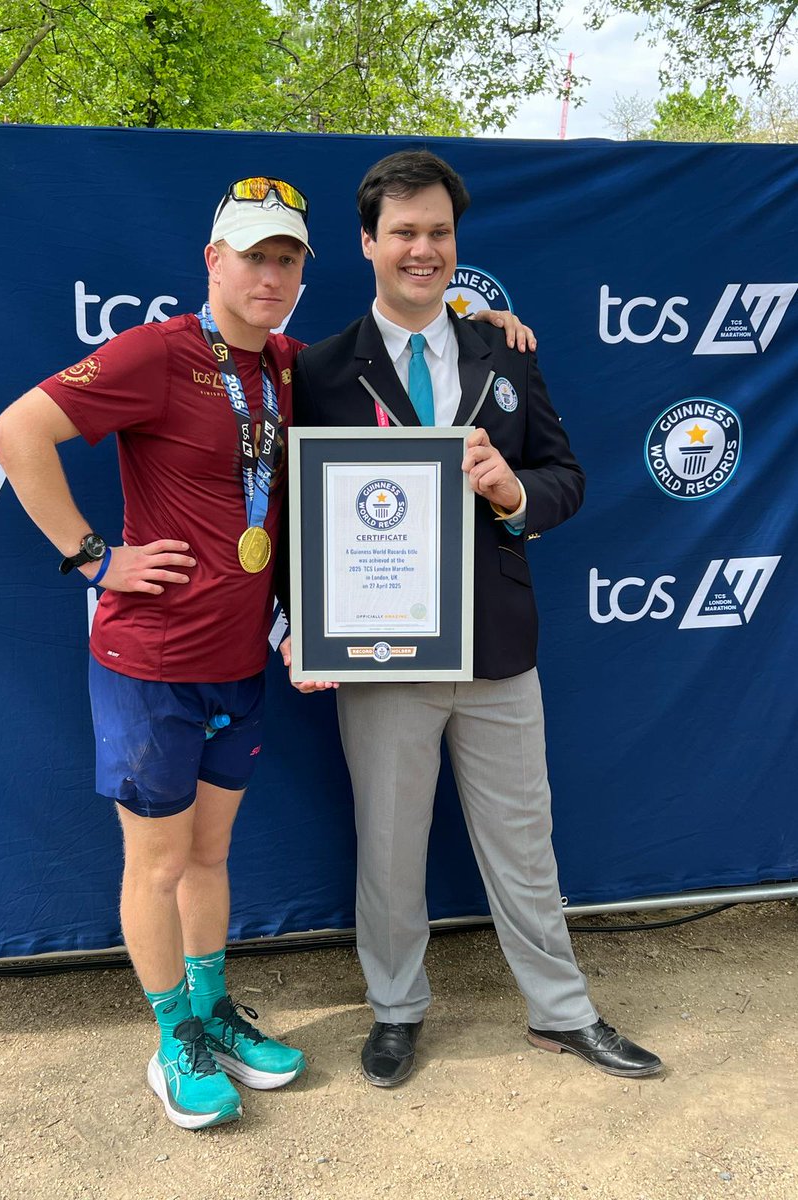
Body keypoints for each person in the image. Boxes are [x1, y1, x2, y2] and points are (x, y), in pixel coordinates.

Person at [0, 174, 533, 1131]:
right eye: (253, 255)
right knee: (155, 863)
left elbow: (402, 336)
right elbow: (17, 431)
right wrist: (93, 558)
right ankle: (172, 1040)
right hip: (150, 660)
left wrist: (474, 313)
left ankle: (208, 1009)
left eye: (287, 258)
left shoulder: (288, 365)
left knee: (209, 854)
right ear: (214, 260)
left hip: (240, 658)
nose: (271, 274)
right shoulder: (156, 353)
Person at [288, 150, 663, 1087]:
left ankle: (560, 1012)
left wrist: (512, 491)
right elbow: (293, 512)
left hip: (497, 647)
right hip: (378, 654)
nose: (423, 250)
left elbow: (568, 480)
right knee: (388, 843)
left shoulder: (507, 351)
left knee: (524, 839)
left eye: (439, 233)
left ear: (457, 242)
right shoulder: (320, 369)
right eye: (404, 232)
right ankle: (396, 1009)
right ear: (368, 243)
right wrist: (299, 618)